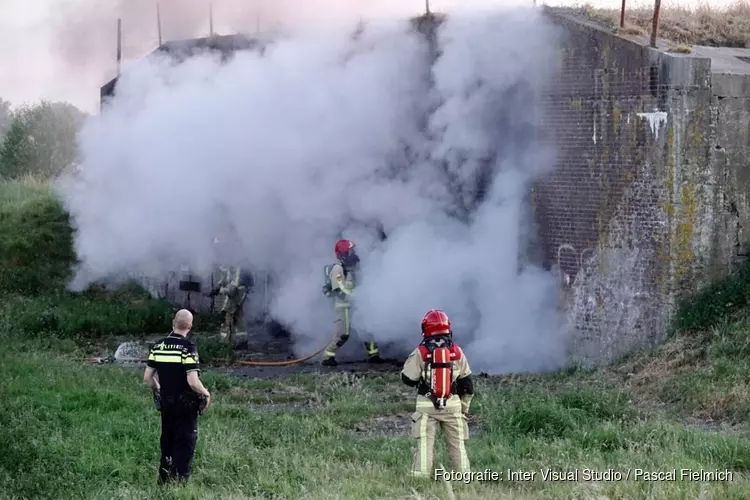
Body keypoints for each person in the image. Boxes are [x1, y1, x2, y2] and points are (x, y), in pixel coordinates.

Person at [401, 309, 474, 477]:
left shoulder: (421, 351)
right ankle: (464, 477)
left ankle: (421, 477)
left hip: (427, 407)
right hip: (453, 406)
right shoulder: (457, 351)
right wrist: (464, 408)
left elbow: (408, 378)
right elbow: (468, 385)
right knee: (457, 445)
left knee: (425, 444)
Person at [143, 309, 211, 485]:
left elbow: (147, 378)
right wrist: (205, 393)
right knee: (185, 441)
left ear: (173, 323)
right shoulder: (188, 348)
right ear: (190, 326)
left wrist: (158, 389)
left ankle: (163, 479)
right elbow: (193, 381)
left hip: (166, 402)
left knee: (167, 438)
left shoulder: (157, 346)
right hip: (186, 404)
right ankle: (180, 481)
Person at [321, 238, 382, 366]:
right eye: (350, 251)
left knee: (366, 329)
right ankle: (327, 357)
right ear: (343, 254)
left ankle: (373, 355)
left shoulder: (351, 269)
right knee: (342, 334)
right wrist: (359, 296)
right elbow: (340, 290)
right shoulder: (338, 269)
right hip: (343, 307)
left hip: (355, 305)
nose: (353, 253)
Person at [209, 265, 251, 343]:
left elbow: (232, 289)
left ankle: (226, 341)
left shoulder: (238, 268)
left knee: (229, 315)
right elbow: (226, 277)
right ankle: (240, 341)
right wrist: (219, 285)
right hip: (235, 294)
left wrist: (220, 290)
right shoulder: (230, 265)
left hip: (238, 294)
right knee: (237, 317)